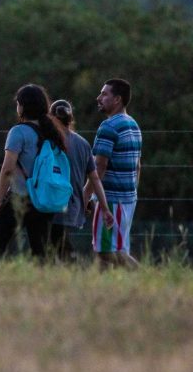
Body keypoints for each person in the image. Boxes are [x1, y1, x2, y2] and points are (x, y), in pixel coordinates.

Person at [0, 84, 68, 258]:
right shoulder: (52, 131)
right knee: (40, 252)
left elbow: (7, 169)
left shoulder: (18, 132)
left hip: (19, 198)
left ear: (23, 106)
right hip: (43, 199)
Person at [85, 78, 142, 269]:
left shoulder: (108, 127)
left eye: (104, 94)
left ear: (117, 99)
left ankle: (149, 278)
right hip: (128, 199)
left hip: (111, 200)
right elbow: (138, 165)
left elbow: (98, 168)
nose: (98, 98)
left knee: (106, 251)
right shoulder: (133, 124)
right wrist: (132, 194)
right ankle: (102, 294)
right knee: (108, 252)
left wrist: (84, 196)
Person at [48, 100, 114, 261]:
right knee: (57, 243)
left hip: (49, 204)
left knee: (54, 245)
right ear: (71, 119)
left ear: (51, 118)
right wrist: (104, 208)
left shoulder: (47, 142)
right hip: (73, 206)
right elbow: (95, 178)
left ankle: (73, 263)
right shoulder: (83, 144)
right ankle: (70, 266)